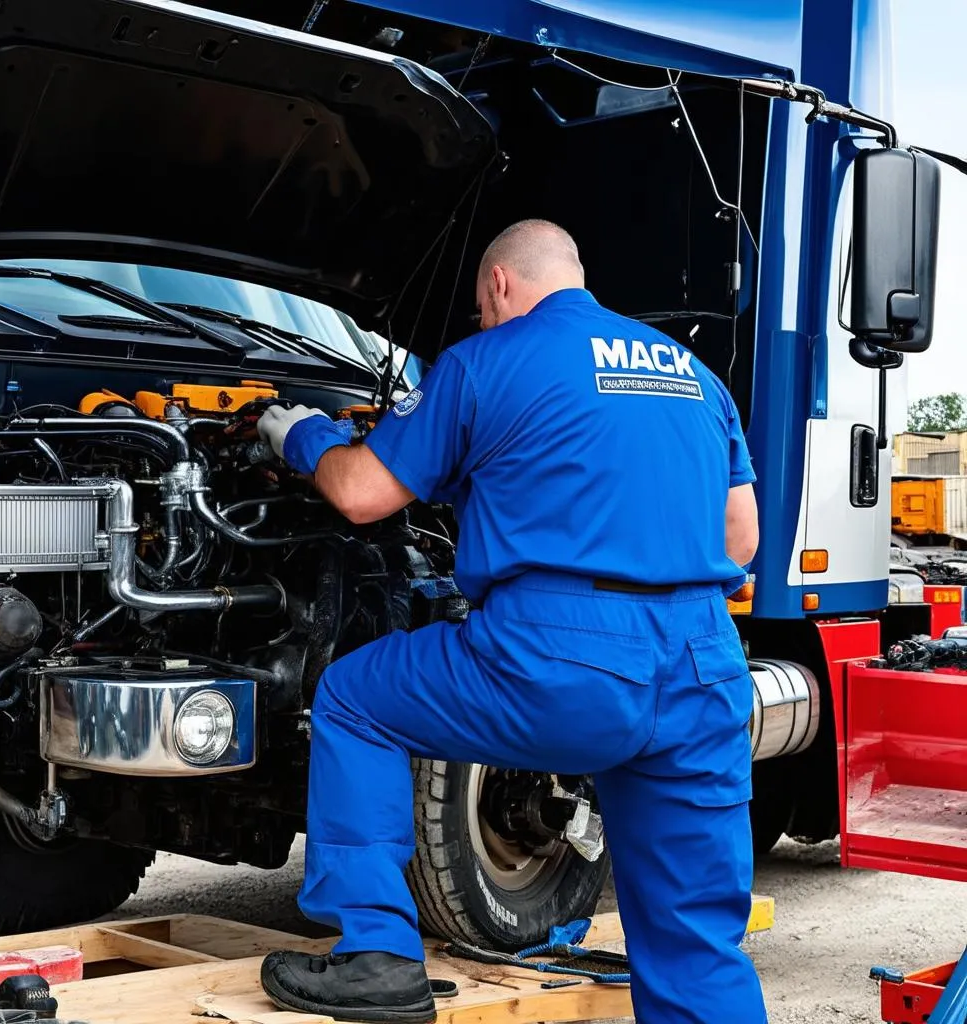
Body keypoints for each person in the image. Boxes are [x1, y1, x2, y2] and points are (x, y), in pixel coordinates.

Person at [255, 219, 765, 1024]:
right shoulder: (695, 375)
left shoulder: (487, 360)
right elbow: (741, 538)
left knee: (354, 697)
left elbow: (361, 494)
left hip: (559, 657)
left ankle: (378, 956)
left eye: (481, 309)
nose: (482, 322)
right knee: (696, 941)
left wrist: (301, 435)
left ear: (499, 286)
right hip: (702, 665)